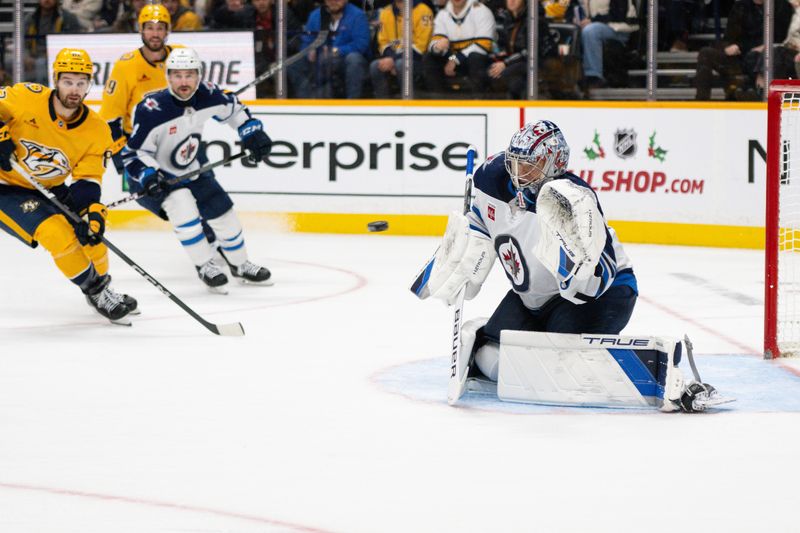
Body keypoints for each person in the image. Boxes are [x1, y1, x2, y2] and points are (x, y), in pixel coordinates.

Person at [0, 49, 137, 324]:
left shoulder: (97, 129)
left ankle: (103, 287)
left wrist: (92, 212)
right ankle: (96, 292)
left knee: (92, 237)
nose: (74, 90)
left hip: (49, 185)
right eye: (67, 82)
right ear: (55, 79)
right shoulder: (26, 96)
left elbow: (87, 180)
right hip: (5, 186)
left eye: (81, 83)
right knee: (57, 233)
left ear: (89, 84)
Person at [121, 48, 273, 291]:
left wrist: (251, 132)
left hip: (191, 169)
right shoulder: (151, 109)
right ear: (168, 77)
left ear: (199, 75)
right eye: (177, 75)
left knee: (223, 211)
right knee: (183, 207)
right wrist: (150, 176)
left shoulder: (208, 95)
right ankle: (205, 265)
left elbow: (234, 109)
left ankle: (240, 264)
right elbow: (133, 154)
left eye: (190, 75)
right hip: (156, 177)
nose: (183, 82)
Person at [99, 3, 179, 174]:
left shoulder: (180, 56)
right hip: (141, 148)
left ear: (167, 30)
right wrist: (120, 157)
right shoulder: (126, 66)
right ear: (140, 30)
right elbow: (109, 117)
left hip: (179, 142)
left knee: (212, 199)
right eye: (149, 28)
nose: (155, 34)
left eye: (160, 28)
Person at [287, 0, 371, 99]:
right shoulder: (315, 16)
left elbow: (361, 44)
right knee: (292, 65)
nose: (333, 1)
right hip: (321, 60)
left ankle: (352, 104)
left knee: (354, 59)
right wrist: (309, 50)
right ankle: (308, 103)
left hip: (344, 60)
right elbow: (306, 41)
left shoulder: (358, 15)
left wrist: (336, 50)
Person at [422, 0, 496, 98]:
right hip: (452, 60)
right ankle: (439, 101)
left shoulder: (482, 11)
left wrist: (455, 59)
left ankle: (478, 101)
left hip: (478, 61)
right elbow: (434, 42)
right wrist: (437, 47)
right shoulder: (443, 14)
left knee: (475, 57)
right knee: (429, 57)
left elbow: (484, 45)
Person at [368, 0, 434, 98]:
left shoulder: (424, 11)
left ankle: (410, 104)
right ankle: (383, 107)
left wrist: (393, 60)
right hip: (393, 58)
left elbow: (421, 47)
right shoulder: (385, 12)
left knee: (401, 64)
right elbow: (382, 43)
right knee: (375, 66)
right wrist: (392, 59)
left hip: (418, 60)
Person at [578, 0, 639, 89]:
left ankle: (594, 76)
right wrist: (575, 18)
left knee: (590, 31)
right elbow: (573, 7)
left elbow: (619, 14)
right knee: (572, 29)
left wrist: (592, 20)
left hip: (619, 28)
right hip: (595, 25)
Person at [20, 0, 83, 85]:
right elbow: (22, 42)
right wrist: (26, 56)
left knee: (41, 63)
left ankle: (40, 93)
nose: (47, 0)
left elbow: (74, 42)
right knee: (10, 61)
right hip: (33, 55)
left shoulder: (68, 18)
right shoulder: (30, 18)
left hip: (58, 56)